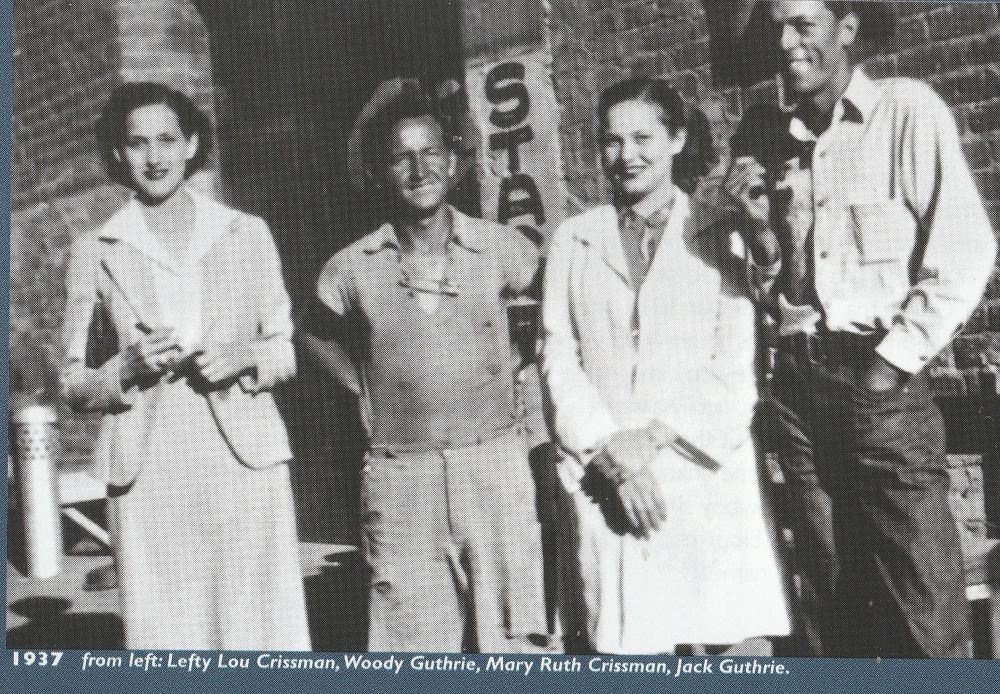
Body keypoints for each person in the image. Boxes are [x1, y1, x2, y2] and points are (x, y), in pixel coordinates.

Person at [725, 1, 998, 658]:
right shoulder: (771, 138)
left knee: (923, 608)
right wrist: (758, 230)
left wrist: (890, 364)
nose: (786, 42)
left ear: (847, 28)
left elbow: (965, 249)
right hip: (798, 387)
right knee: (832, 609)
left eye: (803, 24)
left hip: (879, 385)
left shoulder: (904, 111)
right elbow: (774, 290)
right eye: (777, 27)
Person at [540, 77, 791, 655]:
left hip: (701, 474)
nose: (626, 155)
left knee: (725, 650)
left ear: (676, 140)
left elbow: (733, 366)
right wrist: (611, 454)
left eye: (642, 138)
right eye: (612, 141)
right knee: (633, 650)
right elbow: (558, 356)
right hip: (611, 480)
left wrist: (651, 439)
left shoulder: (718, 231)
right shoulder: (574, 240)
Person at [61, 82, 310, 650]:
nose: (154, 158)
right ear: (119, 153)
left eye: (167, 140)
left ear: (191, 145)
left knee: (258, 629)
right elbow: (71, 382)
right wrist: (124, 368)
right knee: (169, 635)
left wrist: (245, 357)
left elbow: (284, 349)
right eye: (138, 144)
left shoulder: (245, 233)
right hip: (150, 469)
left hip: (242, 458)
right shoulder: (96, 248)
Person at [302, 79, 547, 652]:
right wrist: (360, 387)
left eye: (430, 152)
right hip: (401, 475)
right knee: (413, 640)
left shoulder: (501, 247)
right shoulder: (353, 265)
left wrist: (515, 363)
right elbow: (313, 333)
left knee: (514, 634)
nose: (418, 170)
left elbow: (548, 314)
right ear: (380, 173)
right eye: (400, 158)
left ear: (454, 163)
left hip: (492, 463)